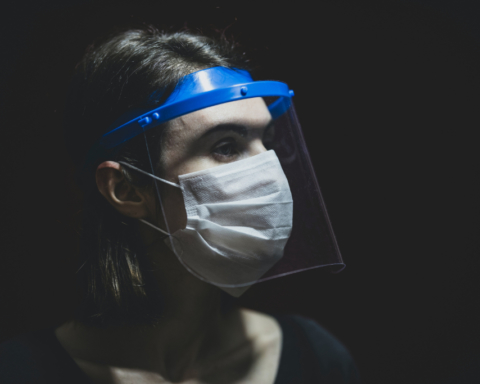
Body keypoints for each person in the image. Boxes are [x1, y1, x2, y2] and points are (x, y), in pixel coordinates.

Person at [0, 27, 360, 383]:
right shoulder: (21, 373)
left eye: (266, 141)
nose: (269, 172)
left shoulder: (316, 360)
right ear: (126, 190)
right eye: (225, 146)